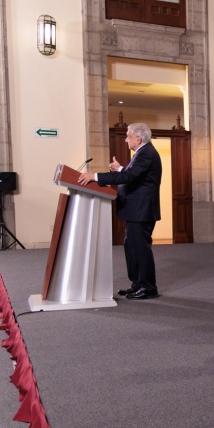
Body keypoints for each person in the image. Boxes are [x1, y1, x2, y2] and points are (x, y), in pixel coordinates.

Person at [78, 122, 162, 300]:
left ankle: (148, 287)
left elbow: (130, 177)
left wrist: (95, 176)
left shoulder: (147, 153)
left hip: (141, 211)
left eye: (128, 137)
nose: (126, 140)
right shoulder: (142, 153)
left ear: (138, 138)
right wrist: (121, 169)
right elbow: (134, 175)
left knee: (140, 248)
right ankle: (137, 284)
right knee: (132, 248)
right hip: (135, 210)